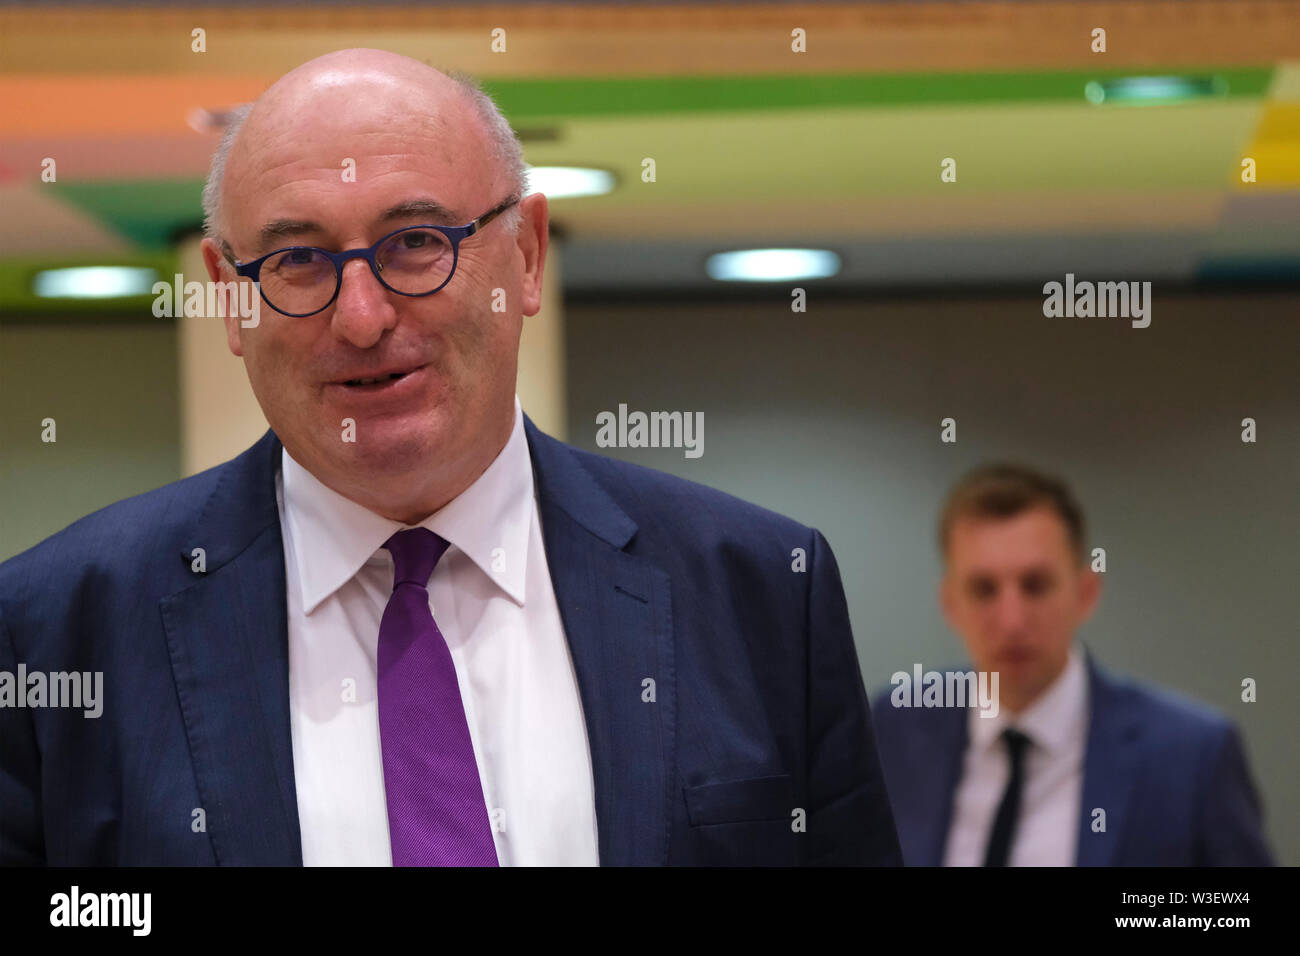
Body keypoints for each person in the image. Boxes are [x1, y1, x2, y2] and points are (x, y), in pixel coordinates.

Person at [0, 49, 900, 867]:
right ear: (230, 301)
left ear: (528, 256)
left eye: (417, 243)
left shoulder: (759, 591)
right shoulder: (54, 630)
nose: (362, 318)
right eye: (298, 260)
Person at [870, 463, 1274, 866]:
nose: (1011, 620)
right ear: (950, 604)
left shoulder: (1192, 755)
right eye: (983, 590)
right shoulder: (894, 725)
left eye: (1035, 585)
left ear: (1085, 593)